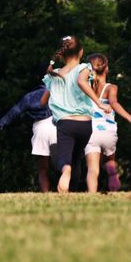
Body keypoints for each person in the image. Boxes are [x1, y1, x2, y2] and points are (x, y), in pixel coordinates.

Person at [41, 36, 111, 194]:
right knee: (77, 158)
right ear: (81, 52)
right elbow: (82, 81)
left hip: (66, 124)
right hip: (85, 124)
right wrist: (98, 102)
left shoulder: (54, 74)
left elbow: (42, 102)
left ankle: (65, 172)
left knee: (65, 160)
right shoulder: (84, 68)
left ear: (62, 55)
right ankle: (72, 192)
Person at [83, 53, 131, 193]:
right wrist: (130, 118)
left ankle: (92, 195)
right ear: (106, 69)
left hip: (90, 132)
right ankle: (114, 186)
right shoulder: (111, 88)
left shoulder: (85, 88)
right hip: (108, 132)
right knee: (110, 162)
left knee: (92, 169)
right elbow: (114, 103)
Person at [0, 84, 58, 192]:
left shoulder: (29, 97)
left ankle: (46, 194)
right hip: (56, 126)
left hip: (40, 129)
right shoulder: (58, 91)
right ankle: (65, 191)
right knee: (63, 164)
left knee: (42, 168)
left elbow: (13, 113)